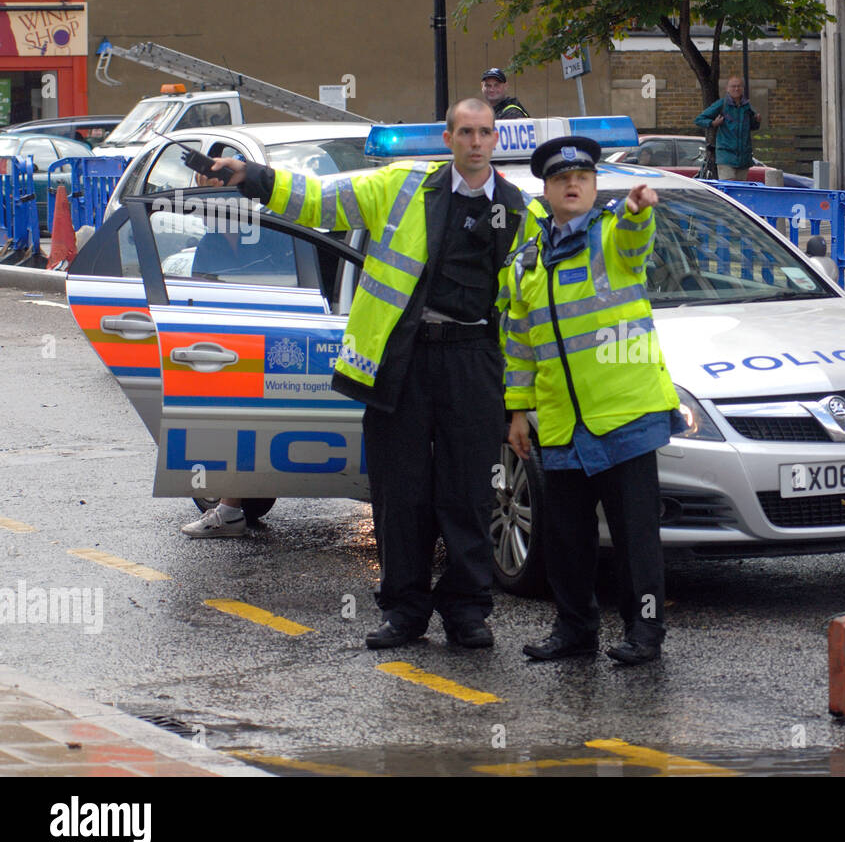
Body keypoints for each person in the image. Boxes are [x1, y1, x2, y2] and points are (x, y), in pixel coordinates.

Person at [203, 98, 535, 650]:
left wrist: (519, 395)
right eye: (466, 133)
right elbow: (320, 200)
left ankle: (467, 614)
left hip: (473, 360)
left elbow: (527, 304)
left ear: (495, 140)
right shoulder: (402, 186)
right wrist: (252, 177)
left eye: (485, 133)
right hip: (403, 361)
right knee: (399, 493)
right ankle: (404, 613)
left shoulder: (516, 208)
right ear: (449, 139)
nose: (476, 142)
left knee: (469, 495)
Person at [501, 136, 683, 666]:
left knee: (636, 540)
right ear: (547, 191)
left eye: (581, 177)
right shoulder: (528, 263)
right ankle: (574, 628)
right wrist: (517, 411)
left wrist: (635, 210)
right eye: (561, 180)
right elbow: (517, 343)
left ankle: (645, 631)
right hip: (561, 424)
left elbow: (634, 239)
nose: (572, 185)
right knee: (567, 541)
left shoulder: (611, 238)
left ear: (596, 185)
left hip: (624, 415)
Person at [693, 76, 761, 180]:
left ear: (743, 88)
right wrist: (713, 123)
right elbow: (699, 119)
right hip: (726, 157)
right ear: (727, 89)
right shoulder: (722, 104)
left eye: (739, 86)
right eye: (733, 86)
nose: (736, 89)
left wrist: (757, 120)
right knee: (729, 187)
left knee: (740, 190)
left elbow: (752, 127)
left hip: (744, 158)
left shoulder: (747, 106)